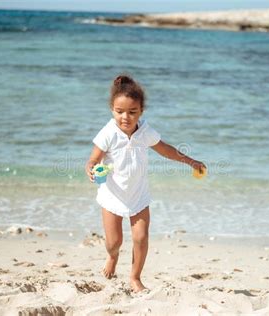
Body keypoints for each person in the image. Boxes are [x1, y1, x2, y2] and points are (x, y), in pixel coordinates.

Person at [85, 74, 206, 292]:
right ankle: (112, 258)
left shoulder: (145, 132)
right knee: (114, 243)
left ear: (141, 111)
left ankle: (135, 277)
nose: (125, 117)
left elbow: (166, 150)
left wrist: (190, 161)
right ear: (111, 109)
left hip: (138, 195)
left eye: (132, 112)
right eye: (119, 111)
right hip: (112, 194)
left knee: (141, 237)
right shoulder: (108, 133)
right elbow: (93, 158)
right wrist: (91, 168)